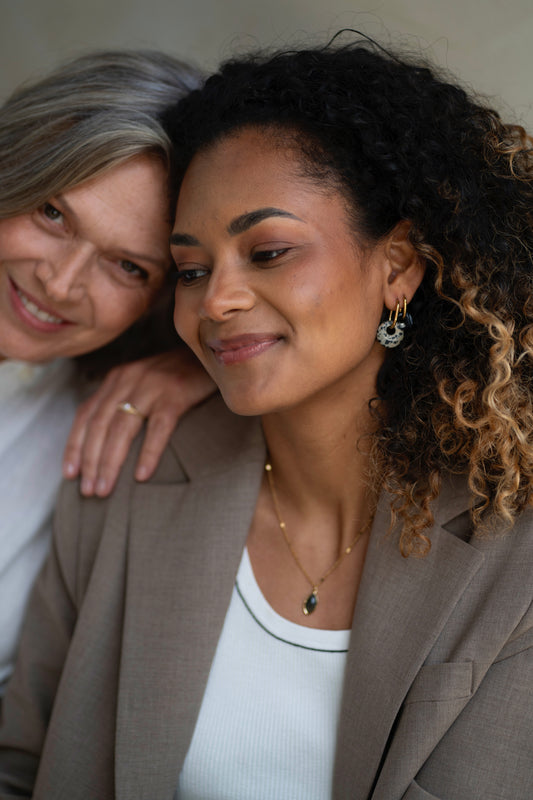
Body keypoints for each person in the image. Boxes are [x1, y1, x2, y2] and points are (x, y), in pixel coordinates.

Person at [1, 38, 532, 799]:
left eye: (270, 250)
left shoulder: (512, 561)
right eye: (189, 269)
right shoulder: (129, 469)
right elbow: (23, 766)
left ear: (398, 266)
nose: (215, 299)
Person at [0, 51, 212, 693]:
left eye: (128, 267)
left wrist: (207, 364)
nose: (61, 284)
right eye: (53, 214)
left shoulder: (97, 422)